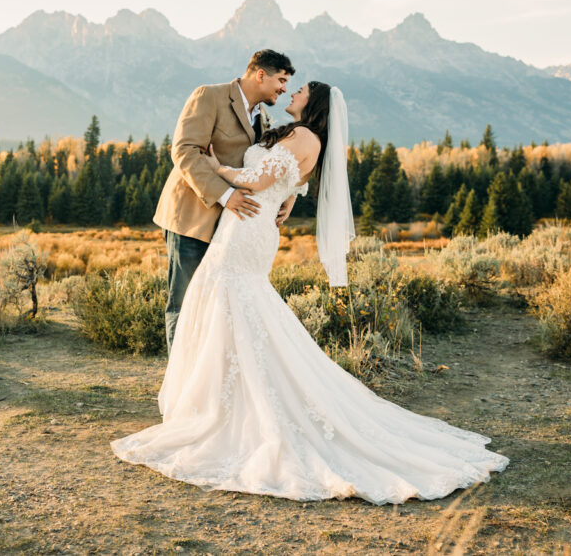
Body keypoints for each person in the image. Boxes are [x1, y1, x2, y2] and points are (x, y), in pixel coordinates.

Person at [113, 81, 509, 503]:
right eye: (287, 84)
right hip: (251, 226)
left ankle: (230, 407)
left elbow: (256, 177)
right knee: (236, 310)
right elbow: (291, 180)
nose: (290, 93)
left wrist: (219, 169)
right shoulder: (303, 138)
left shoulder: (303, 135)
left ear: (313, 102)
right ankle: (222, 398)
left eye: (297, 89)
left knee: (234, 306)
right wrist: (289, 197)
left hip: (244, 225)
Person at [153, 49, 295, 351]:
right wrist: (226, 195)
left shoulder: (263, 117)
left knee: (215, 306)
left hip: (230, 229)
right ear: (260, 75)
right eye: (280, 80)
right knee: (185, 302)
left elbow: (265, 167)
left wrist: (288, 194)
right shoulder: (209, 96)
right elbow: (185, 152)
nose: (284, 88)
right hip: (191, 216)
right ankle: (180, 390)